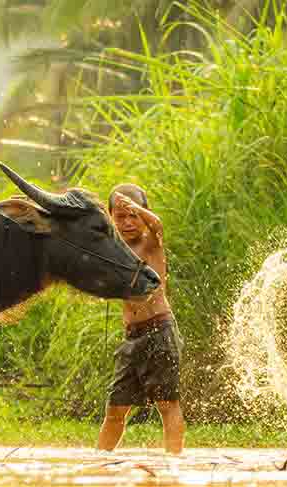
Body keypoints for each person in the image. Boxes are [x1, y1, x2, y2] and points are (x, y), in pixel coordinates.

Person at [95, 184, 185, 454]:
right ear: (111, 218)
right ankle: (100, 464)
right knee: (115, 410)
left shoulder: (151, 241)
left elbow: (157, 225)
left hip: (160, 332)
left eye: (133, 215)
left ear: (144, 214)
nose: (127, 222)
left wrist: (139, 210)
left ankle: (174, 464)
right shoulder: (112, 250)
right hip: (131, 339)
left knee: (167, 405)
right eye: (120, 216)